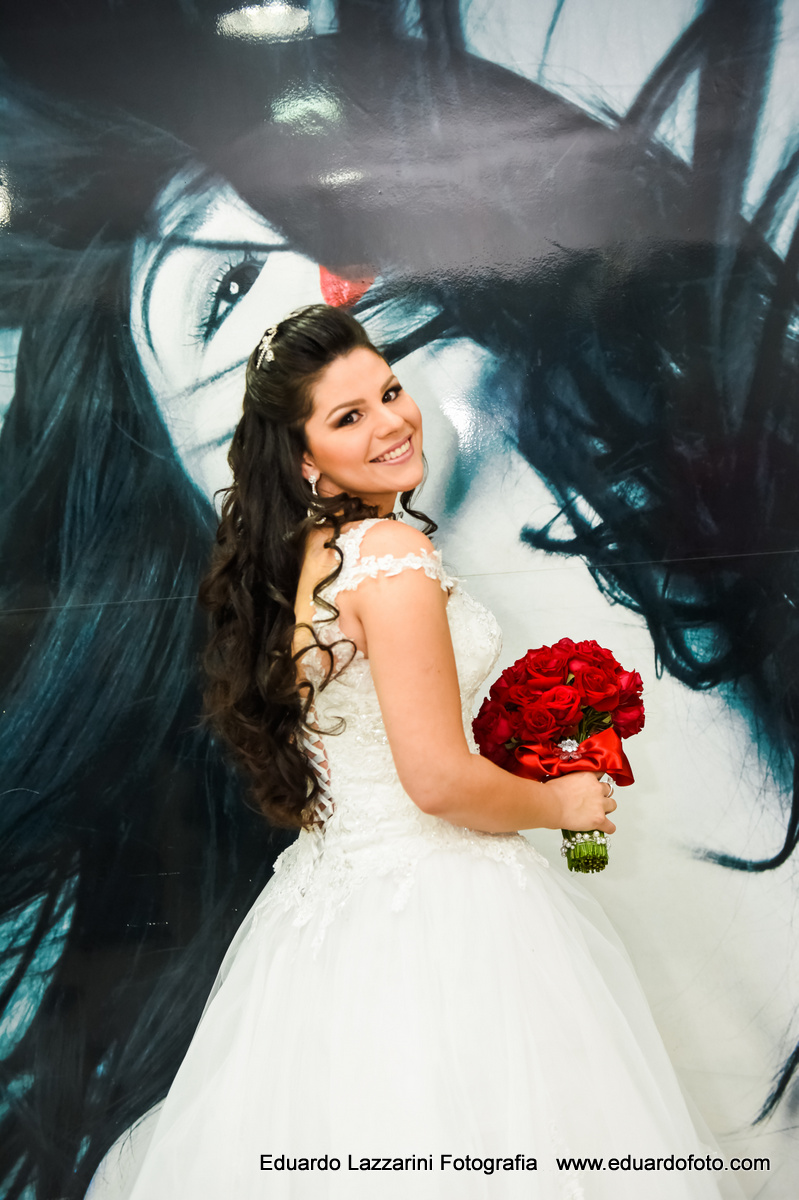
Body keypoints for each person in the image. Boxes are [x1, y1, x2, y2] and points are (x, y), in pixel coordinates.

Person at [89, 303, 742, 1200]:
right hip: (442, 912)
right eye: (348, 416)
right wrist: (563, 803)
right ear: (304, 455)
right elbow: (434, 781)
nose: (393, 422)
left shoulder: (295, 563)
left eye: (389, 392)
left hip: (328, 916)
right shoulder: (389, 556)